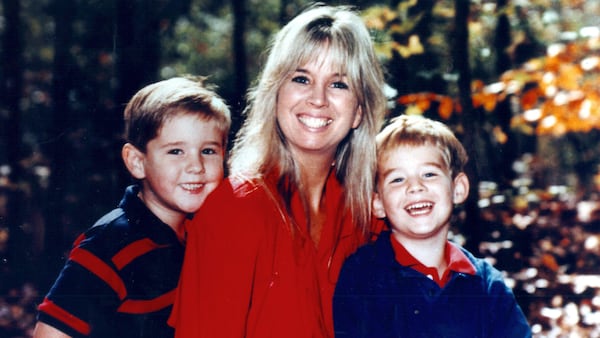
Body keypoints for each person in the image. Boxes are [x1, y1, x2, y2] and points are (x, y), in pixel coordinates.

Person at [169, 4, 387, 338]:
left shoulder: (367, 218)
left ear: (359, 111)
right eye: (302, 79)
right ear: (275, 94)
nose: (318, 99)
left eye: (338, 84)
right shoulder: (235, 209)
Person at [32, 76, 231, 338]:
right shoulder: (111, 244)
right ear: (137, 162)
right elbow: (50, 334)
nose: (196, 166)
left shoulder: (199, 235)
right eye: (176, 151)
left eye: (208, 151)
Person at [333, 114, 532, 337]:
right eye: (397, 179)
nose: (415, 187)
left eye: (429, 174)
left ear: (458, 188)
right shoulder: (363, 278)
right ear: (377, 203)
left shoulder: (487, 285)